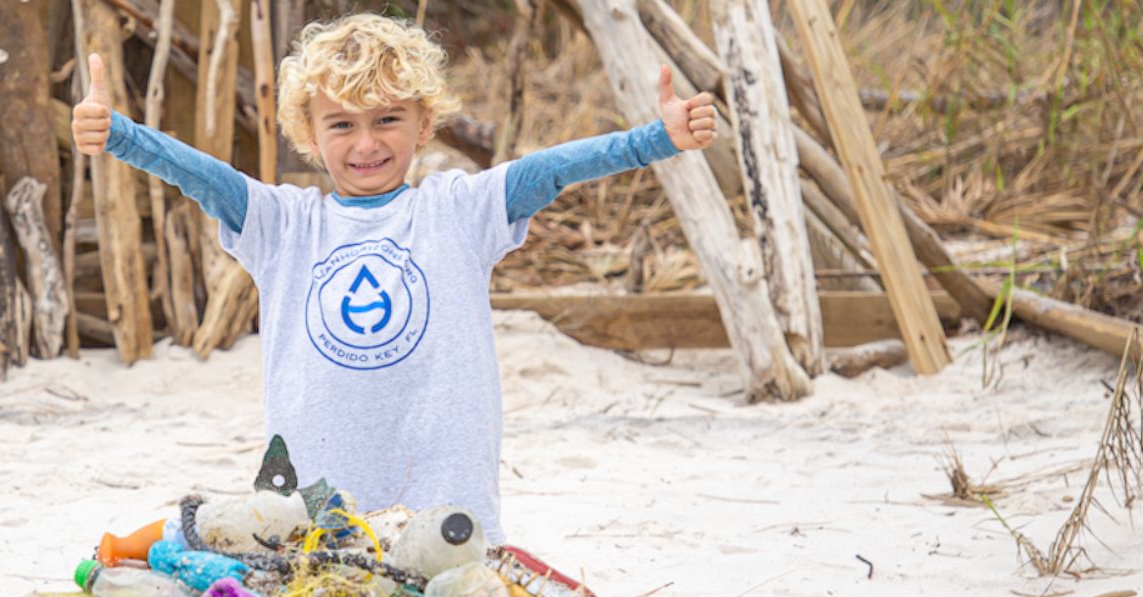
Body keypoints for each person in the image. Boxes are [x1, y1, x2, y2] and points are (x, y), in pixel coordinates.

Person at [72, 14, 715, 543]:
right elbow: (202, 177)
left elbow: (551, 169)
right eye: (342, 125)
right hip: (315, 516)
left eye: (387, 120)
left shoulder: (457, 211)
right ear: (309, 134)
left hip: (444, 513)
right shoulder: (285, 225)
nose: (365, 143)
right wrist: (120, 136)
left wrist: (654, 141)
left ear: (424, 124)